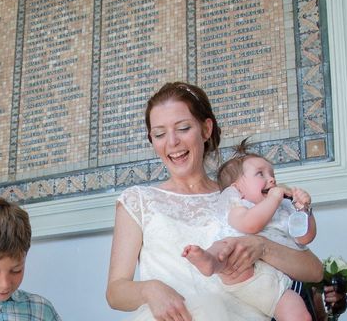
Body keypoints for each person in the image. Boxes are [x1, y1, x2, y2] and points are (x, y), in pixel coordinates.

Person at [106, 81, 323, 321]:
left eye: (183, 128)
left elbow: (314, 270)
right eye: (159, 134)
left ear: (206, 129)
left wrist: (261, 246)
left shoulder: (240, 198)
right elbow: (116, 291)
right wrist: (149, 289)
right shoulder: (138, 201)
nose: (172, 142)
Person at [183, 139, 316, 321]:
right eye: (260, 174)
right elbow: (250, 225)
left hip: (275, 283)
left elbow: (304, 239)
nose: (272, 179)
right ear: (237, 188)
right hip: (240, 271)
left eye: (272, 173)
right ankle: (208, 261)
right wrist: (274, 198)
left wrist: (304, 210)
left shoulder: (282, 209)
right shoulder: (237, 204)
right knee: (225, 246)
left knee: (300, 315)